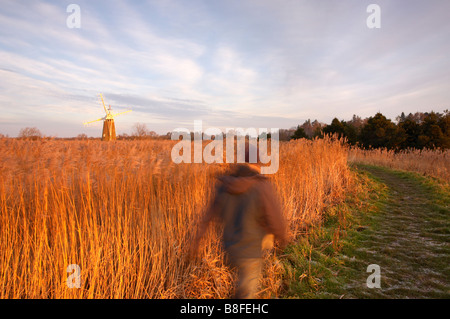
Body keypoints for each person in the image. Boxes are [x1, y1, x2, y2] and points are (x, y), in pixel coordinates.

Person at [190, 145, 288, 299]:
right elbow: (274, 216)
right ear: (258, 163)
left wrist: (196, 241)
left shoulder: (224, 184)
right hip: (251, 252)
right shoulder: (261, 186)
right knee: (246, 294)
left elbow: (208, 216)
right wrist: (282, 238)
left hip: (230, 250)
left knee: (242, 287)